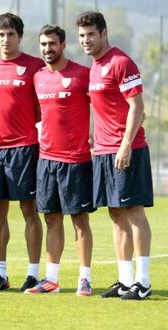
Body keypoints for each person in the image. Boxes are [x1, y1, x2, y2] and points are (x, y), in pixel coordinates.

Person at [77, 11, 153, 300]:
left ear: (104, 33)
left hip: (127, 150)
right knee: (115, 214)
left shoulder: (121, 62)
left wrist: (125, 145)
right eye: (82, 36)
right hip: (103, 152)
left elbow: (138, 107)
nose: (86, 40)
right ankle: (124, 281)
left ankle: (143, 282)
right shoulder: (94, 67)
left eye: (91, 35)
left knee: (133, 212)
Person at [25, 25, 94, 296]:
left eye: (52, 43)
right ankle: (51, 280)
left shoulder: (81, 74)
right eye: (43, 44)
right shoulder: (38, 77)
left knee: (79, 220)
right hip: (46, 159)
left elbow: (101, 102)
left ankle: (84, 279)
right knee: (51, 219)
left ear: (63, 44)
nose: (47, 49)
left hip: (76, 160)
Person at [0, 12, 44, 292]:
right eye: (1, 35)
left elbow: (41, 107)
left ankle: (33, 273)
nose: (6, 40)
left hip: (25, 148)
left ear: (20, 37)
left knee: (28, 210)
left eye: (11, 35)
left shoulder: (35, 66)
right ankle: (0, 274)